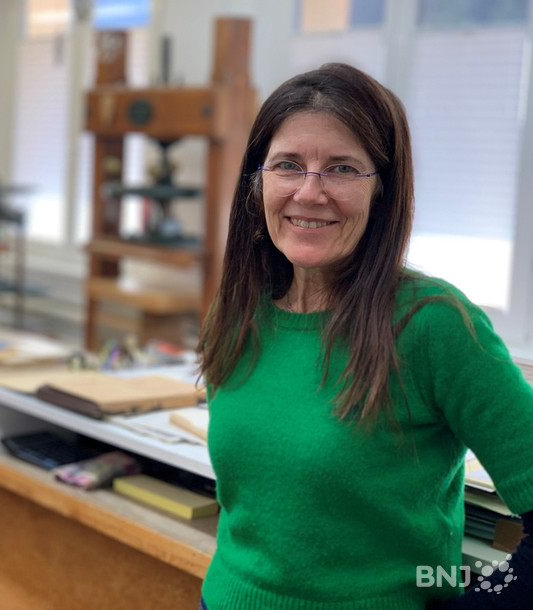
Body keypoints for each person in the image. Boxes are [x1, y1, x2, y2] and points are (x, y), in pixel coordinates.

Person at [196, 62, 533, 609]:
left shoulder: (434, 324)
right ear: (257, 181)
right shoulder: (237, 310)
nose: (309, 192)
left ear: (384, 190)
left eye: (342, 169)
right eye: (288, 165)